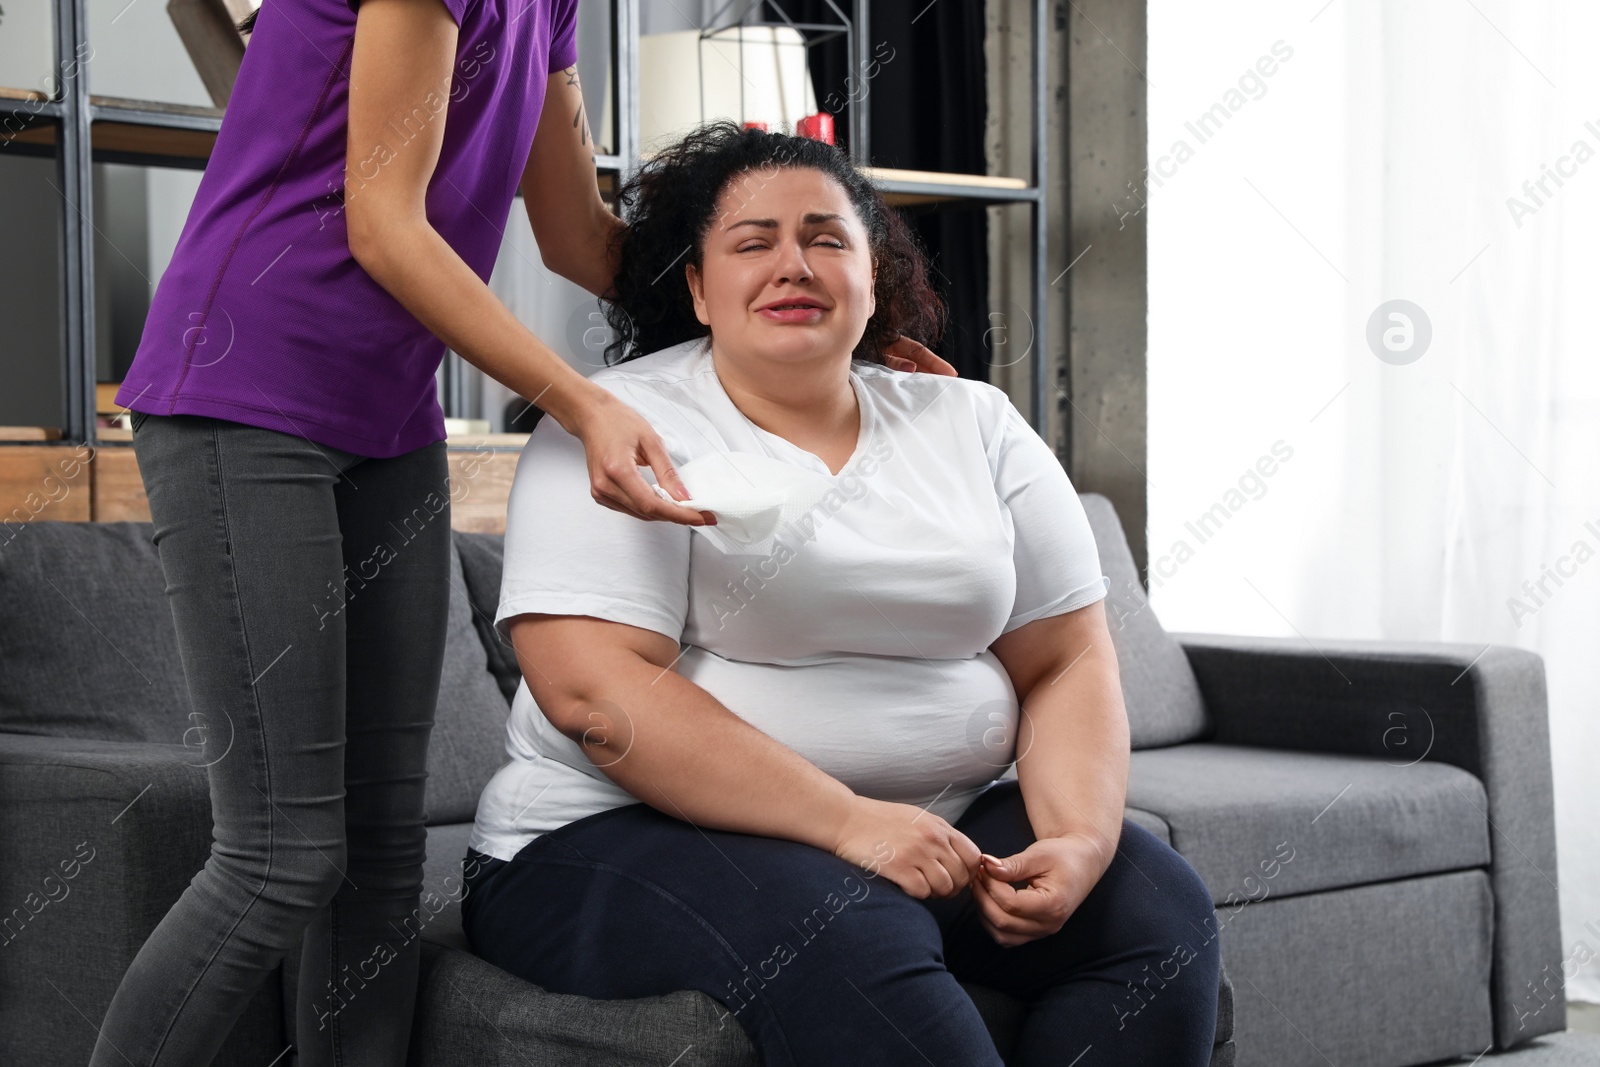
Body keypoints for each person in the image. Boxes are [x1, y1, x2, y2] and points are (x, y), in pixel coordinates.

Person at [99, 0, 954, 1064]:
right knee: (281, 854)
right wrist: (583, 400)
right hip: (245, 390)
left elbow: (577, 236)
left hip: (387, 419)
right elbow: (385, 221)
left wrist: (842, 340)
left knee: (377, 852)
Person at [461, 121, 1222, 1066]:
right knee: (854, 925)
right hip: (608, 836)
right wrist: (850, 822)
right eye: (752, 243)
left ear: (874, 282)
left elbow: (1065, 655)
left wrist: (1076, 838)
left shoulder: (972, 421)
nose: (794, 264)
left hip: (935, 819)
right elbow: (595, 693)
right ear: (697, 286)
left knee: (1154, 911)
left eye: (828, 239)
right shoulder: (617, 425)